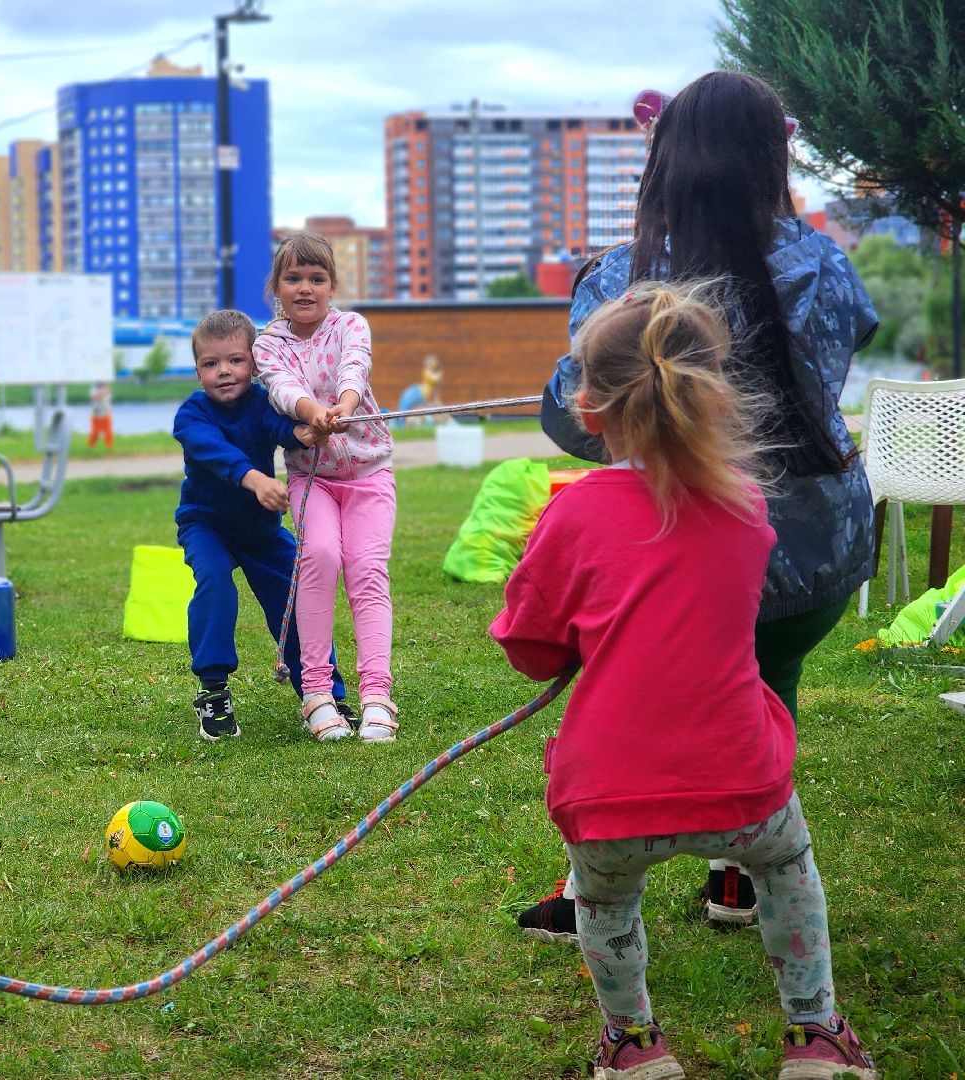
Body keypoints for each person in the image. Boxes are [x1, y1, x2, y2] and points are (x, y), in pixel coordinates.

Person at [520, 70, 878, 940]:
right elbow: (842, 354)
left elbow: (577, 421)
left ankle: (593, 880)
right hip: (818, 549)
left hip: (673, 557)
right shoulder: (824, 262)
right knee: (762, 693)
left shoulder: (620, 279)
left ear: (664, 159)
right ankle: (738, 877)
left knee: (631, 700)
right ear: (771, 158)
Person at [492, 283, 875, 1080]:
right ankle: (815, 1035)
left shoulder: (573, 514)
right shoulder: (745, 510)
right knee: (786, 865)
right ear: (711, 398)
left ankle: (633, 1044)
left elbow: (530, 649)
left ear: (587, 409)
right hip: (741, 781)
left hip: (608, 799)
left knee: (602, 900)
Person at [175, 309, 350, 741]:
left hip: (262, 531)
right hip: (207, 526)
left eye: (234, 360)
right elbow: (211, 450)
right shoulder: (191, 415)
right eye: (210, 364)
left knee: (295, 598)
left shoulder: (261, 401)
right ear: (197, 372)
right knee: (215, 584)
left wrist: (305, 433)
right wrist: (254, 479)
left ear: (253, 365)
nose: (224, 372)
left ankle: (322, 692)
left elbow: (280, 426)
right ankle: (213, 689)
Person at [254, 232, 399, 743]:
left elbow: (354, 365)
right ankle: (316, 692)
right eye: (293, 278)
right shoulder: (267, 342)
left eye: (317, 279)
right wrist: (312, 413)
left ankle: (377, 694)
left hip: (368, 475)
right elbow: (281, 386)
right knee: (319, 557)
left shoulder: (350, 326)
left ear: (333, 285)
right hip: (311, 478)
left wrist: (346, 401)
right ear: (277, 286)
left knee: (366, 570)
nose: (305, 288)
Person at [88, 380, 114, 449]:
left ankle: (109, 447)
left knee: (108, 432)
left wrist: (105, 391)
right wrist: (103, 392)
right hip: (96, 414)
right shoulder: (94, 388)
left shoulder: (107, 388)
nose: (104, 382)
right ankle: (90, 446)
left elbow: (108, 396)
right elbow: (93, 396)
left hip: (106, 414)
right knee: (95, 432)